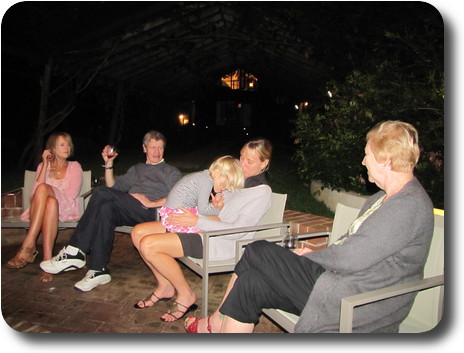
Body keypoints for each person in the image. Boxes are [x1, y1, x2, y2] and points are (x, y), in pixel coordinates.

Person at [185, 120, 434, 333]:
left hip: (357, 299)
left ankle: (215, 322)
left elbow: (353, 257)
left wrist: (315, 254)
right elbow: (357, 247)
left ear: (386, 160)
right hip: (338, 280)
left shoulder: (407, 206)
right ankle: (217, 325)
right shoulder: (382, 198)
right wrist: (319, 255)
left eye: (367, 154)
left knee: (257, 250)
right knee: (250, 284)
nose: (363, 160)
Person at [40, 130, 183, 291]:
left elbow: (179, 197)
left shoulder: (170, 171)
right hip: (132, 210)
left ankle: (75, 249)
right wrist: (108, 164)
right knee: (105, 208)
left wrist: (152, 203)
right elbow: (113, 187)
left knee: (101, 193)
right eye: (153, 147)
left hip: (153, 213)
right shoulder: (136, 169)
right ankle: (98, 270)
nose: (157, 152)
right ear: (144, 148)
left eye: (160, 148)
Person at [131, 165, 271, 322]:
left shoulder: (261, 192)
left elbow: (237, 230)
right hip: (200, 225)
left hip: (216, 239)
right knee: (138, 232)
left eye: (250, 160)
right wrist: (212, 207)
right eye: (242, 157)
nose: (243, 163)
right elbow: (204, 206)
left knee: (149, 245)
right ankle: (165, 286)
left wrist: (197, 221)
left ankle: (186, 294)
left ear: (263, 164)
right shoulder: (233, 182)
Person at [6, 132, 83, 283]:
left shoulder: (75, 167)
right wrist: (45, 164)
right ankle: (48, 261)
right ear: (52, 148)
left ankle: (28, 244)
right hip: (43, 209)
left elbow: (71, 194)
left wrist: (48, 191)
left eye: (68, 144)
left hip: (65, 207)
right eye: (62, 144)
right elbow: (35, 193)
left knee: (45, 191)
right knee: (49, 203)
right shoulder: (43, 166)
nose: (67, 147)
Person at [132, 155, 244, 241]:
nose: (224, 188)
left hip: (169, 210)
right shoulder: (206, 182)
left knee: (209, 220)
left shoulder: (203, 176)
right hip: (177, 213)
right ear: (217, 172)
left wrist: (212, 205)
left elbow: (200, 205)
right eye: (224, 184)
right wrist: (218, 209)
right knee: (208, 225)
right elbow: (203, 210)